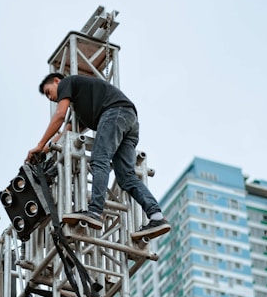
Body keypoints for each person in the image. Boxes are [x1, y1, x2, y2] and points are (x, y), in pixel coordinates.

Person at [26, 73, 170, 239]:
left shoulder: (68, 82)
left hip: (115, 113)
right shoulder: (81, 108)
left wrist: (39, 144)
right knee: (126, 177)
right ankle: (157, 217)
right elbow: (65, 133)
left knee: (99, 159)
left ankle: (95, 211)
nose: (50, 97)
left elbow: (59, 115)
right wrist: (42, 150)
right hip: (129, 120)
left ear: (57, 81)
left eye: (48, 92)